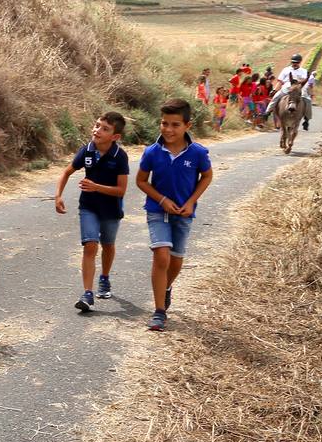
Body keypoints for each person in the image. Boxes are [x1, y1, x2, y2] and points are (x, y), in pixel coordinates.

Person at [135, 99, 213, 332]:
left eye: (175, 125)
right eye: (164, 123)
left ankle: (166, 287)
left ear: (187, 126)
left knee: (176, 259)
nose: (168, 129)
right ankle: (159, 312)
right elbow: (141, 180)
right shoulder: (152, 152)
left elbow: (207, 176)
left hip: (183, 213)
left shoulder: (197, 153)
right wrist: (161, 200)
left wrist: (191, 202)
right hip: (157, 211)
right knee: (161, 256)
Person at [54, 112, 129, 312]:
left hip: (111, 210)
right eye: (97, 125)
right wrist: (58, 195)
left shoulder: (119, 156)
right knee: (90, 246)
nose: (97, 130)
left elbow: (121, 190)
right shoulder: (86, 151)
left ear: (115, 137)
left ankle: (104, 278)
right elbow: (67, 172)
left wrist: (96, 187)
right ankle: (87, 293)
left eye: (105, 128)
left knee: (108, 245)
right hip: (88, 206)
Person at [267, 53, 311, 131]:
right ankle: (267, 113)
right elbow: (280, 81)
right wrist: (274, 90)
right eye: (293, 62)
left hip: (299, 88)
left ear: (300, 62)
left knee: (308, 101)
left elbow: (304, 82)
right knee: (276, 97)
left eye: (296, 62)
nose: (294, 64)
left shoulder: (303, 71)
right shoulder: (286, 70)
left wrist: (299, 83)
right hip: (286, 88)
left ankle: (306, 120)